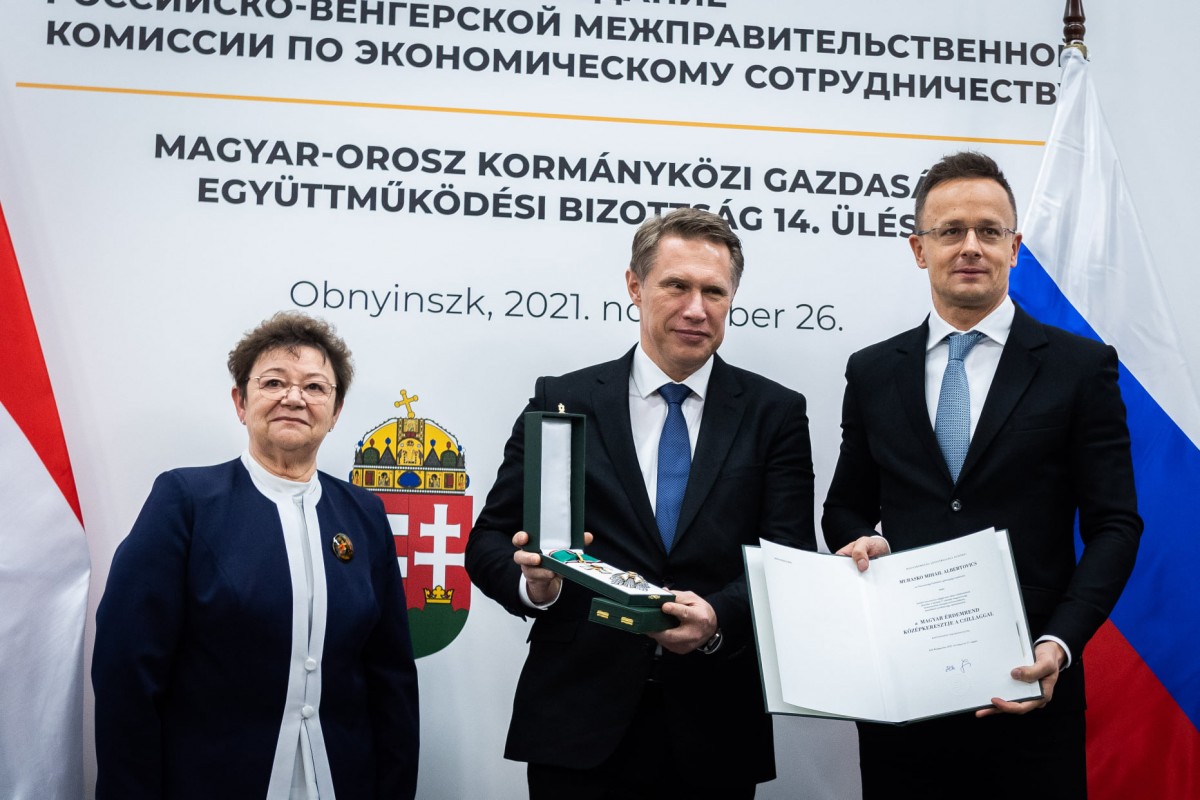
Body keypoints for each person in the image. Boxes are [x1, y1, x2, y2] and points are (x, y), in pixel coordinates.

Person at [464, 206, 816, 799]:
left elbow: (789, 556)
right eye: (676, 285)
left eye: (714, 291)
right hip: (577, 724)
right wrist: (536, 587)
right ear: (635, 285)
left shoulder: (774, 413)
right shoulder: (563, 400)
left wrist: (717, 618)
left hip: (715, 723)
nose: (696, 308)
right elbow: (490, 540)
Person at [822, 151, 1142, 798]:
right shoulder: (873, 370)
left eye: (989, 231)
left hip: (1030, 690)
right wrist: (861, 542)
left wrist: (1060, 642)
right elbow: (844, 508)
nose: (971, 246)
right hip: (901, 699)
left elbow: (1115, 524)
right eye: (950, 230)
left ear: (1014, 248)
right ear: (919, 249)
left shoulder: (1080, 368)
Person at [92, 312, 419, 799]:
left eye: (315, 387)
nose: (294, 398)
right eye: (273, 382)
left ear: (335, 412)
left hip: (341, 781)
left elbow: (391, 677)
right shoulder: (185, 501)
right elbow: (127, 671)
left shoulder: (364, 515)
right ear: (240, 402)